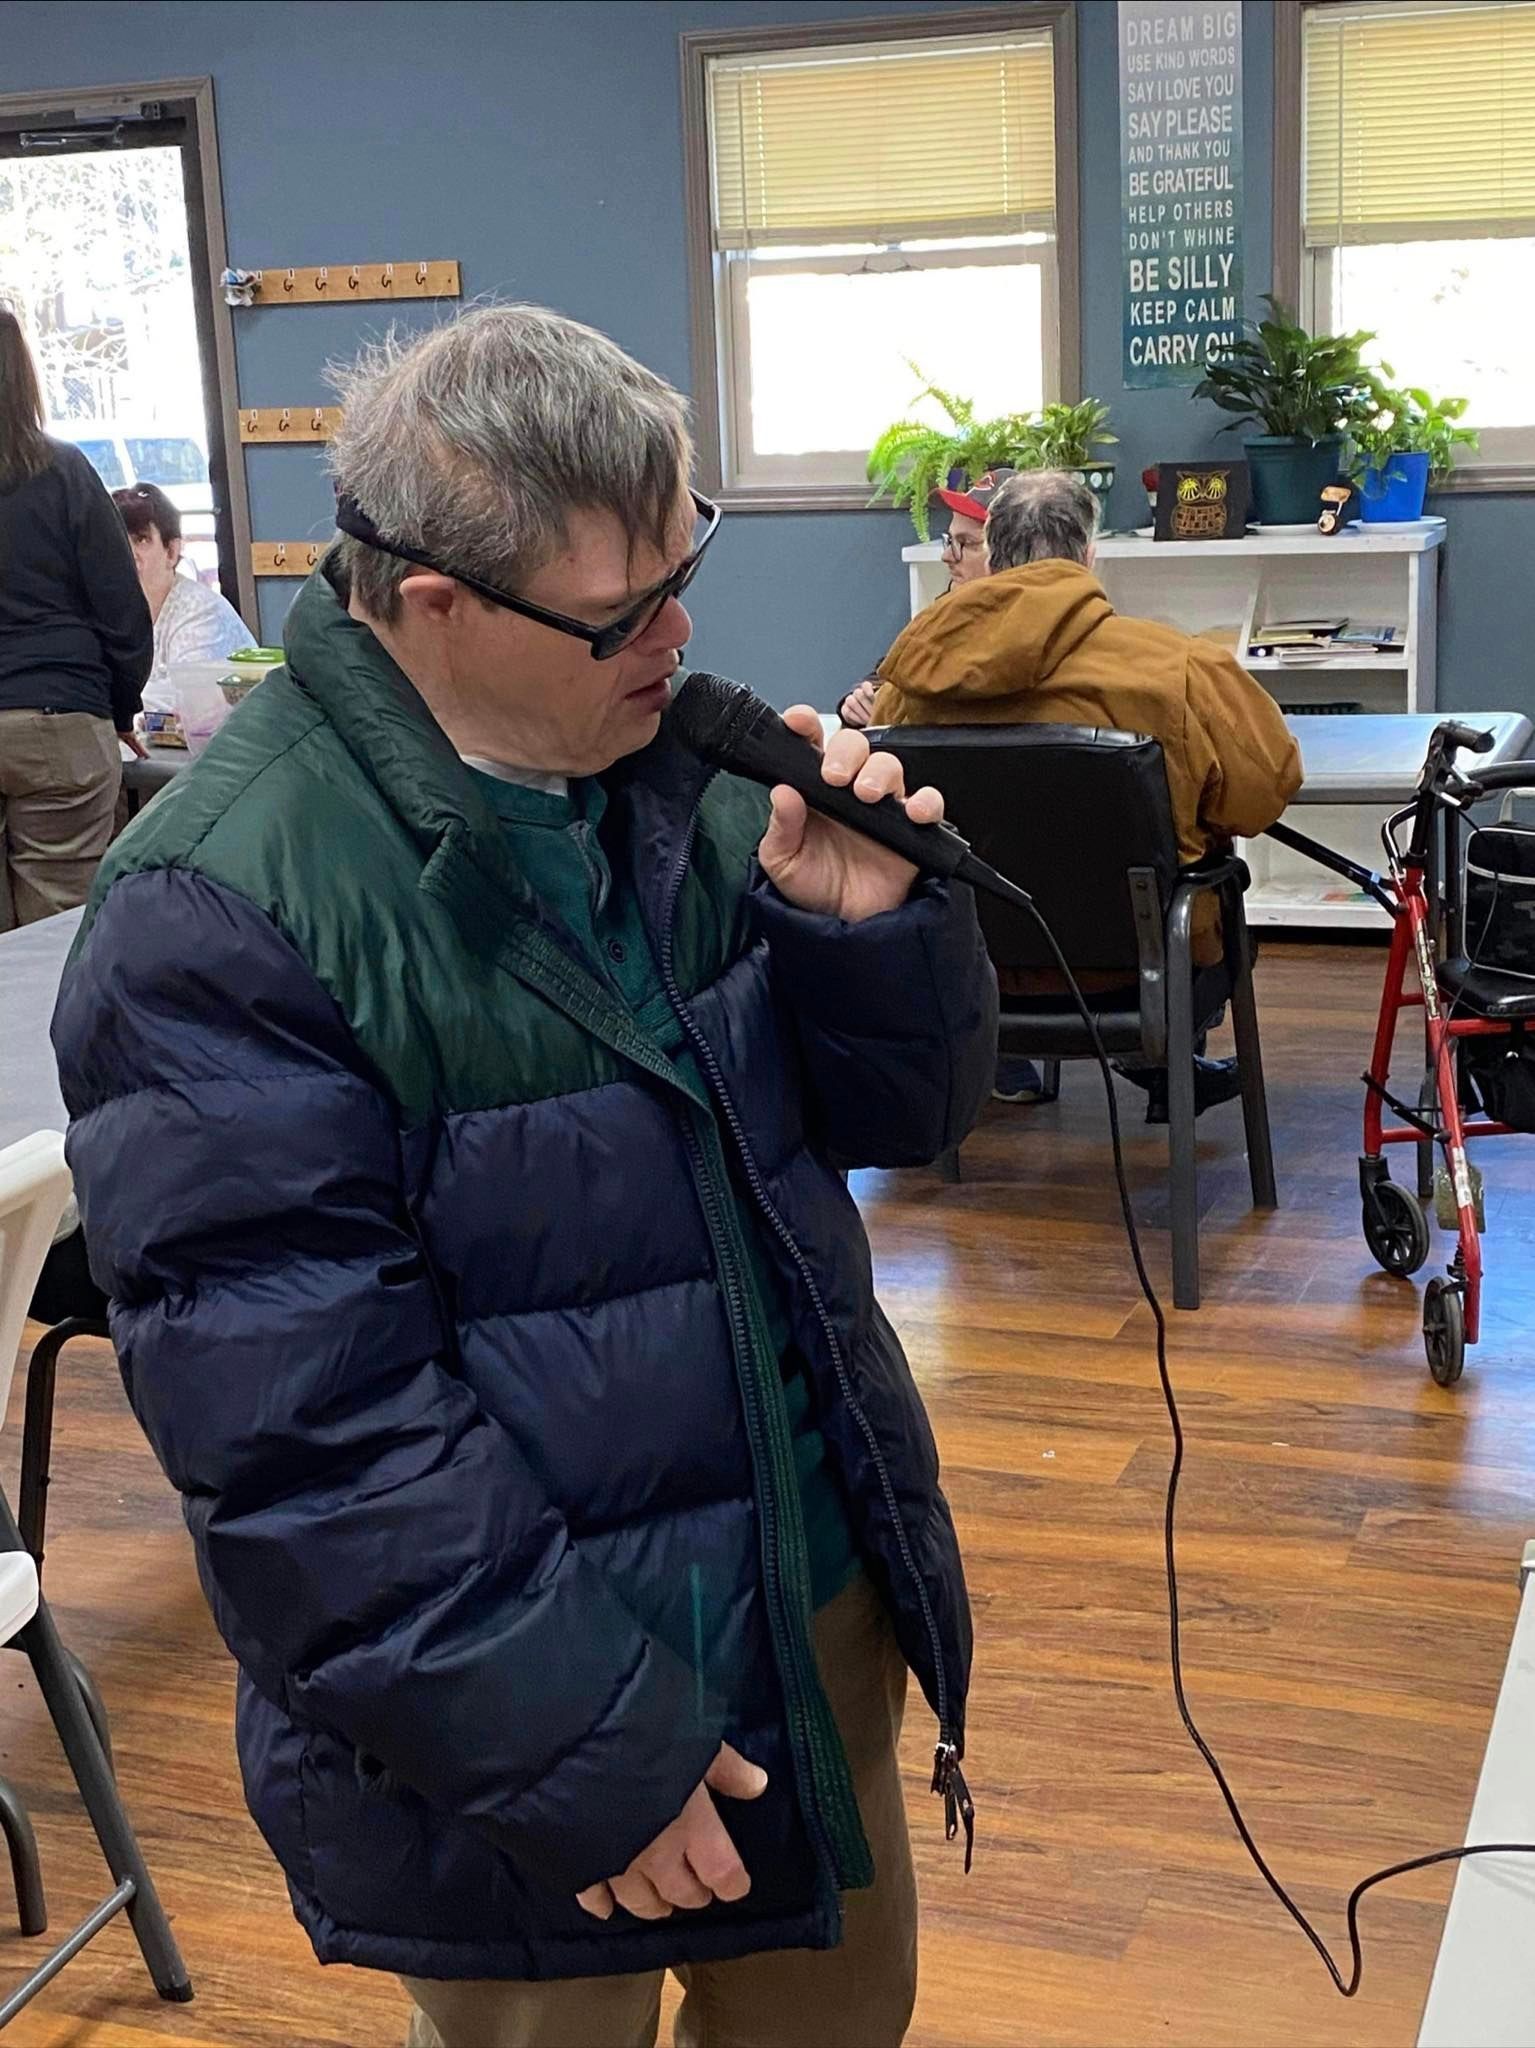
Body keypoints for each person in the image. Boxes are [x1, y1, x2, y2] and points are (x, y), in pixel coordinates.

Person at [53, 304, 997, 2048]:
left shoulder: (679, 779)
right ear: (432, 602)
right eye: (623, 609)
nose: (682, 631)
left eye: (684, 564)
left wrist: (855, 938)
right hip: (518, 1695)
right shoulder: (219, 910)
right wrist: (583, 1750)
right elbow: (306, 1444)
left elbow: (899, 1127)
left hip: (801, 1604)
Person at [871, 468, 1303, 1122]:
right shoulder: (1175, 668)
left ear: (993, 548)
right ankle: (1169, 1071)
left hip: (970, 961)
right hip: (1142, 964)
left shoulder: (907, 682)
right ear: (1088, 553)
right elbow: (1260, 797)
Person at [0, 307, 151, 929]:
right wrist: (116, 706)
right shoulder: (62, 472)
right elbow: (121, 610)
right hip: (56, 717)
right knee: (54, 935)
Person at [838, 467, 1015, 732]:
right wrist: (858, 701)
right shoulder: (945, 610)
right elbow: (886, 671)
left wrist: (887, 709)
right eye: (950, 540)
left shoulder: (1023, 634)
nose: (948, 556)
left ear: (1016, 551)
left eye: (968, 543)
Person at [113, 482, 256, 709]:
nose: (128, 553)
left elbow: (186, 705)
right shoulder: (108, 614)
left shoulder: (201, 614)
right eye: (117, 539)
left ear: (172, 552)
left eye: (141, 539)